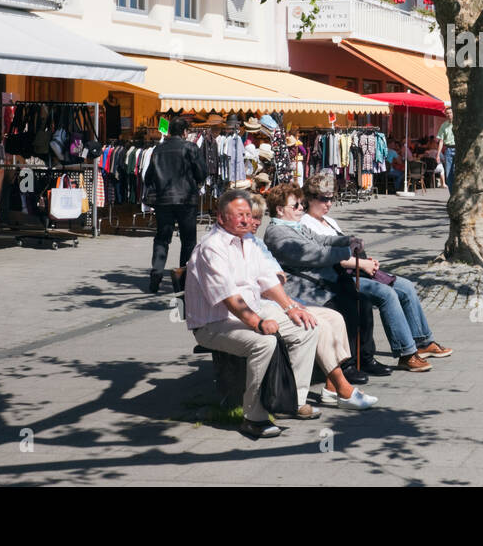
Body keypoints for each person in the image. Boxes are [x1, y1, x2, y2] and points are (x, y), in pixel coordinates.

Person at [183, 189, 322, 439]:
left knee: (306, 326)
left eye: (249, 214)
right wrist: (258, 323)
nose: (247, 220)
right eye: (239, 215)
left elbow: (267, 281)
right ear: (221, 217)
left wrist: (291, 308)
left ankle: (289, 402)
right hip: (214, 323)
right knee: (264, 343)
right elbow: (230, 299)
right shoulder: (212, 248)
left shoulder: (247, 241)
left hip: (250, 311)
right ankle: (253, 417)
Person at [292, 175, 452, 374]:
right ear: (309, 198)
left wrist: (367, 261)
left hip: (356, 268)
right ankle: (406, 353)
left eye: (331, 198)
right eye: (324, 199)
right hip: (337, 277)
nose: (329, 204)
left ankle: (422, 341)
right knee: (387, 294)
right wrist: (363, 264)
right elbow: (329, 257)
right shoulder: (306, 224)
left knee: (406, 286)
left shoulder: (329, 221)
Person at [245, 195, 375, 409]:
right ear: (279, 209)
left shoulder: (259, 241)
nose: (255, 223)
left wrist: (347, 241)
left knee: (336, 317)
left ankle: (332, 387)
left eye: (257, 217)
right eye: (248, 217)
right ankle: (342, 388)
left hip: (285, 295)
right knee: (319, 322)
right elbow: (311, 254)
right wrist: (289, 305)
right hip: (277, 298)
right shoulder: (276, 233)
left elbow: (317, 244)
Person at [143, 117, 207, 294]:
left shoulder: (158, 149)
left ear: (169, 131)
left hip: (163, 200)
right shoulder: (190, 148)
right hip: (186, 200)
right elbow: (202, 172)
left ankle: (156, 275)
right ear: (185, 132)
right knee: (188, 240)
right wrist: (196, 182)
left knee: (162, 238)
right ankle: (183, 279)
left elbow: (148, 177)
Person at [436, 108, 457, 190]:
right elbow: (441, 141)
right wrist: (438, 155)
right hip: (448, 150)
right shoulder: (444, 125)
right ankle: (452, 196)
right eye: (447, 113)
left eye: (450, 113)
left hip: (458, 149)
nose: (449, 115)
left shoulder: (458, 124)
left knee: (458, 172)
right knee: (448, 175)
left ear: (453, 113)